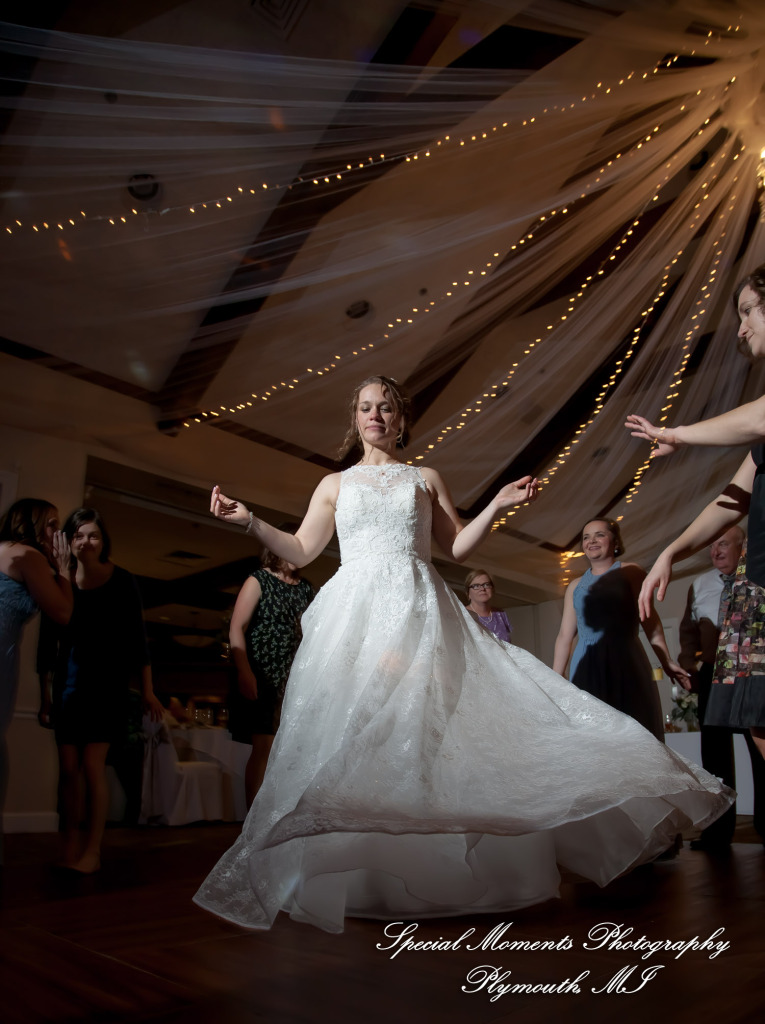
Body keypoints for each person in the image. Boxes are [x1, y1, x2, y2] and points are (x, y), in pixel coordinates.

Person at [194, 374, 731, 933]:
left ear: (401, 419)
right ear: (354, 419)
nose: (375, 416)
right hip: (352, 618)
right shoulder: (334, 484)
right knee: (353, 731)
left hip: (418, 610)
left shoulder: (423, 478)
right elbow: (303, 549)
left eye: (386, 408)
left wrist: (497, 502)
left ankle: (434, 868)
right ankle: (358, 872)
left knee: (425, 732)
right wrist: (251, 521)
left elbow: (455, 546)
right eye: (365, 408)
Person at [626, 263, 765, 763]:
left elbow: (758, 415)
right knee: (758, 721)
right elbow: (729, 500)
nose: (741, 327)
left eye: (750, 310)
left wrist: (676, 434)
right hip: (759, 591)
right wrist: (670, 551)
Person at [54, 508, 163, 873]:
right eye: (79, 535)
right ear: (70, 542)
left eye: (93, 535)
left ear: (103, 541)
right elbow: (48, 642)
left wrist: (147, 690)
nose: (86, 541)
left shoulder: (122, 581)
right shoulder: (63, 580)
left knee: (91, 765)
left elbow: (138, 641)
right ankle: (69, 840)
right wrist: (43, 692)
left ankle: (93, 850)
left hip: (107, 687)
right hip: (67, 686)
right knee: (68, 768)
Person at [553, 518, 689, 741]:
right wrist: (556, 677)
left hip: (625, 660)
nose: (591, 541)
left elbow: (651, 623)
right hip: (587, 664)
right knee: (594, 736)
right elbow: (564, 636)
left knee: (633, 730)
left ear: (614, 542)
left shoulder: (632, 572)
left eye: (599, 535)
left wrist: (667, 661)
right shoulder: (575, 586)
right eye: (586, 537)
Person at [678, 525, 765, 849]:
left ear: (742, 546)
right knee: (714, 757)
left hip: (751, 670)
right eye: (712, 545)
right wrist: (688, 663)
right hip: (713, 674)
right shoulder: (699, 584)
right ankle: (718, 832)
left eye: (723, 544)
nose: (715, 551)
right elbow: (687, 631)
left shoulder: (758, 576)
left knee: (759, 747)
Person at [0, 498, 73, 863]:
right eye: (50, 524)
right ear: (28, 524)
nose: (56, 533)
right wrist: (62, 568)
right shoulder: (28, 556)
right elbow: (62, 612)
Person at [228, 526, 314, 806]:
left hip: (294, 677)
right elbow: (236, 629)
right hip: (263, 673)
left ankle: (277, 816)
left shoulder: (306, 588)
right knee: (263, 746)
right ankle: (252, 826)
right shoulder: (259, 580)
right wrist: (244, 671)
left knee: (288, 749)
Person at [464, 568, 512, 642]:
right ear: (468, 593)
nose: (482, 589)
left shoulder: (501, 614)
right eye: (476, 586)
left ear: (492, 589)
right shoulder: (462, 614)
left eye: (486, 585)